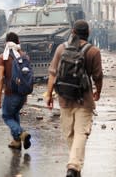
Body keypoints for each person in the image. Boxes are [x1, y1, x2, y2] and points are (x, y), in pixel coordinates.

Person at [46, 20, 103, 177]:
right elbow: (98, 76)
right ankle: (73, 167)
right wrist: (98, 91)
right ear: (88, 32)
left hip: (64, 98)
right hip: (84, 100)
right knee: (81, 133)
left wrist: (49, 94)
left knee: (70, 133)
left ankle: (75, 167)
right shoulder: (93, 51)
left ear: (73, 32)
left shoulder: (61, 48)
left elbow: (52, 73)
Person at [0, 32, 32, 150]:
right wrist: (25, 95)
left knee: (6, 116)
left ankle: (21, 133)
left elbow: (0, 78)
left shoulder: (2, 58)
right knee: (14, 114)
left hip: (11, 93)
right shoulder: (25, 56)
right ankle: (16, 141)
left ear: (6, 43)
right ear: (18, 42)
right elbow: (27, 76)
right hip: (22, 93)